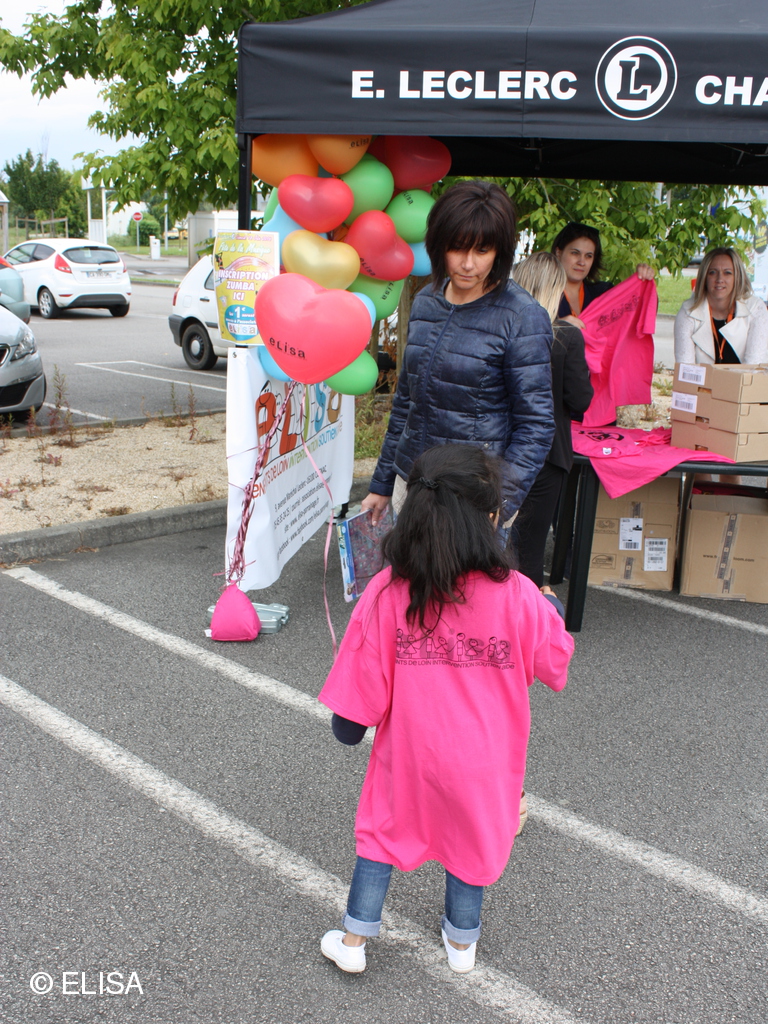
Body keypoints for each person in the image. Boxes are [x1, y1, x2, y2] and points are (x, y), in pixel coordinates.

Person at [318, 444, 574, 975]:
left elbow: (356, 705)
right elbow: (554, 662)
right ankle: (461, 943)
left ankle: (354, 941)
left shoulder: (389, 592)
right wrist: (550, 608)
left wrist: (350, 723)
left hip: (409, 758)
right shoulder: (518, 595)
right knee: (469, 843)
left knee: (381, 835)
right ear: (490, 519)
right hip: (485, 763)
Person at [362, 179, 555, 527]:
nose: (468, 264)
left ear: (499, 251)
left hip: (473, 498)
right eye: (457, 248)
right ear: (439, 245)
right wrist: (382, 483)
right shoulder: (426, 301)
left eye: (482, 250)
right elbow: (406, 403)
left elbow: (536, 426)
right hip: (413, 486)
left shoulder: (522, 316)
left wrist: (500, 503)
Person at [512, 252, 594, 587]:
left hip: (503, 448)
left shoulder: (504, 330)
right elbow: (580, 399)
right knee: (530, 551)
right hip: (547, 453)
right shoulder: (565, 336)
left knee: (495, 543)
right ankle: (528, 614)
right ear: (555, 288)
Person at [674, 246, 768, 365]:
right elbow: (685, 367)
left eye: (727, 273)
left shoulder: (756, 308)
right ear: (704, 277)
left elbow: (753, 367)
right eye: (713, 272)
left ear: (737, 277)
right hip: (702, 378)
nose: (720, 279)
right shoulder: (688, 311)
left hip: (745, 377)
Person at [552, 222, 655, 329]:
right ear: (558, 253)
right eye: (575, 253)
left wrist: (643, 282)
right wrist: (555, 326)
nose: (581, 262)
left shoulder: (603, 293)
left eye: (588, 256)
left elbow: (639, 313)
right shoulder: (543, 294)